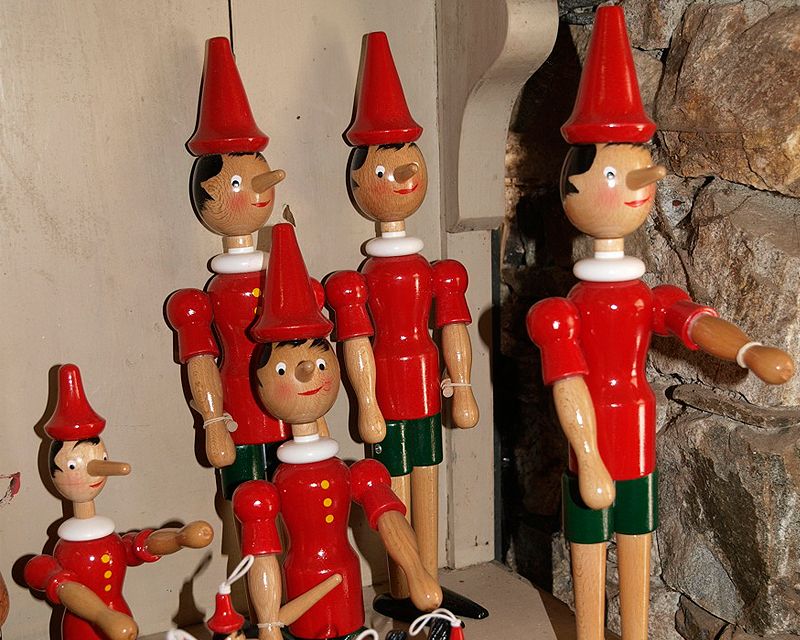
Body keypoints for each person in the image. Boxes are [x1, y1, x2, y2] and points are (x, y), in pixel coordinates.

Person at [526, 7, 795, 640]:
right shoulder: (562, 311)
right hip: (590, 441)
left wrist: (749, 351)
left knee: (637, 552)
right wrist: (588, 458)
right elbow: (569, 384)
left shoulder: (646, 296)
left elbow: (691, 322)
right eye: (613, 171)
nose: (639, 179)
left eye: (639, 162)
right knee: (588, 559)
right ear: (572, 187)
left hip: (637, 430)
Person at [325, 31, 482, 620]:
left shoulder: (438, 272)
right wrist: (367, 403)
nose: (404, 173)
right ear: (359, 182)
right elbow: (357, 343)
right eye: (385, 166)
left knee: (429, 477)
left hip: (426, 384)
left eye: (409, 159)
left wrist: (462, 387)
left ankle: (430, 581)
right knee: (392, 488)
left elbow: (453, 329)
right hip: (388, 391)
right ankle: (402, 584)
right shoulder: (357, 281)